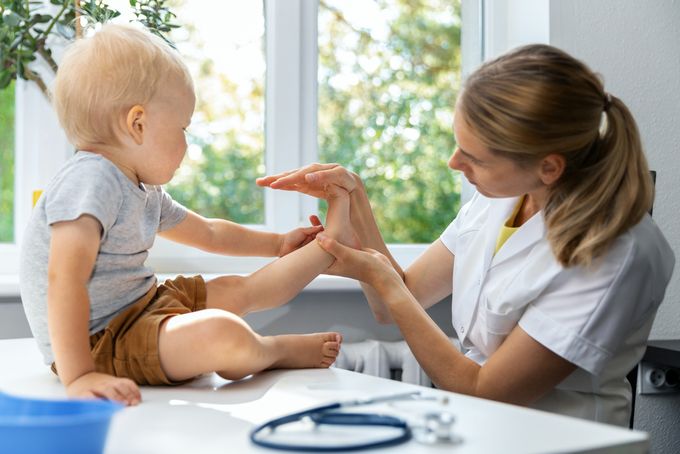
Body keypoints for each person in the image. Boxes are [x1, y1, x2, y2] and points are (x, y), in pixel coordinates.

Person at [257, 44, 675, 426]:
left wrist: (380, 276)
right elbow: (402, 301)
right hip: (477, 427)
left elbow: (486, 390)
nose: (454, 163)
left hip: (558, 438)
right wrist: (354, 198)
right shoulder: (502, 196)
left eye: (474, 157)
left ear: (549, 167)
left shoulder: (617, 253)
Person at [19, 23, 350, 406]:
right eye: (182, 128)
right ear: (137, 124)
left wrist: (277, 244)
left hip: (140, 307)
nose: (186, 145)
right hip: (99, 341)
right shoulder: (90, 180)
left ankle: (329, 244)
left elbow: (209, 233)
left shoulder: (140, 187)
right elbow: (63, 279)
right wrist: (79, 376)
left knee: (234, 289)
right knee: (222, 333)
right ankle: (271, 351)